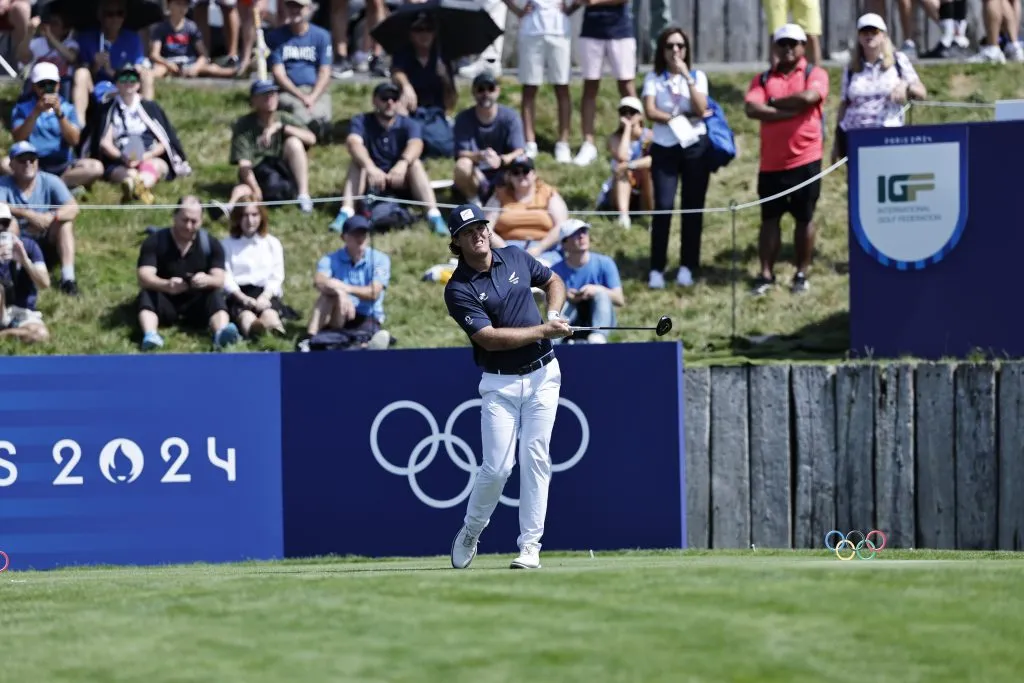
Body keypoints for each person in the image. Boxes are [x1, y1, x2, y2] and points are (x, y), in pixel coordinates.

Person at [443, 202, 572, 571]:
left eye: (481, 227)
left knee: (536, 458)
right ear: (457, 243)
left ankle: (530, 547)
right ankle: (472, 529)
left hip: (544, 375)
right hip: (499, 384)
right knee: (497, 468)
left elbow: (553, 281)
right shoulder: (458, 289)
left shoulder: (515, 256)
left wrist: (554, 314)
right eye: (469, 232)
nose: (478, 234)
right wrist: (544, 331)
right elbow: (490, 339)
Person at [744, 23, 829, 295]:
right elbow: (751, 107)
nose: (789, 48)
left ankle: (801, 272)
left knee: (805, 218)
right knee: (769, 218)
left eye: (794, 43)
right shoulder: (763, 79)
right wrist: (788, 109)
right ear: (775, 47)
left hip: (806, 159)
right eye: (783, 43)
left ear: (804, 46)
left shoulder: (814, 73)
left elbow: (809, 96)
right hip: (771, 163)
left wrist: (773, 103)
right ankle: (766, 274)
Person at [642, 27, 713, 290]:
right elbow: (650, 110)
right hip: (664, 145)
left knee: (692, 206)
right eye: (670, 46)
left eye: (680, 46)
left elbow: (701, 108)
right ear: (662, 50)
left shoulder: (697, 76)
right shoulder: (654, 78)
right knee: (663, 205)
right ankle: (657, 267)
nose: (675, 51)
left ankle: (687, 265)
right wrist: (674, 118)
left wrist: (687, 77)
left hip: (695, 146)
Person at [329, 81, 448, 235]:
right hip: (370, 181)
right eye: (384, 98)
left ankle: (433, 215)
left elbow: (416, 144)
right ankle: (346, 212)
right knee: (356, 163)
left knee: (415, 164)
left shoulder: (409, 123)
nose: (390, 102)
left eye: (394, 98)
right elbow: (353, 143)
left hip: (401, 180)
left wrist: (402, 164)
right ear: (374, 100)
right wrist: (370, 167)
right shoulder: (361, 121)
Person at [135, 196, 241, 351]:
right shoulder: (155, 241)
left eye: (194, 221)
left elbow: (219, 279)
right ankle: (150, 335)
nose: (189, 226)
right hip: (165, 297)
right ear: (174, 216)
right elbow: (144, 276)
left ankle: (220, 333)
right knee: (147, 294)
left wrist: (206, 280)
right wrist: (166, 285)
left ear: (201, 221)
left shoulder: (212, 244)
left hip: (196, 301)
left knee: (215, 295)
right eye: (184, 220)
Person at [81, 64, 192, 206]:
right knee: (126, 173)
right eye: (123, 79)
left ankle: (139, 186)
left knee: (156, 166)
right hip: (120, 158)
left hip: (148, 155)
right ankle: (134, 185)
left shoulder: (150, 107)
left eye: (132, 79)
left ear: (138, 84)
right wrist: (122, 157)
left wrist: (144, 157)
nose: (128, 82)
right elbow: (104, 143)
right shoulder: (107, 109)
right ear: (116, 83)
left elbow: (163, 141)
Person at [832, 13, 926, 163]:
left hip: (887, 136)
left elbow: (921, 92)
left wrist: (905, 85)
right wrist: (836, 143)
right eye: (864, 31)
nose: (869, 35)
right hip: (854, 137)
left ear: (883, 35)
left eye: (874, 31)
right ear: (858, 36)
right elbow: (844, 104)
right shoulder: (851, 68)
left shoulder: (898, 61)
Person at [298, 214, 392, 351]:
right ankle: (309, 339)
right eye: (355, 234)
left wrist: (345, 289)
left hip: (367, 315)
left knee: (359, 338)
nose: (360, 239)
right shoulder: (330, 259)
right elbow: (319, 281)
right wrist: (339, 293)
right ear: (344, 237)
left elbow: (374, 292)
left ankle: (359, 347)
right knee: (326, 296)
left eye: (364, 234)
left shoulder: (380, 259)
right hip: (340, 313)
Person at [6, 61, 105, 191]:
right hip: (30, 163)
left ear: (58, 85)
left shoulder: (68, 109)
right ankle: (52, 187)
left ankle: (54, 185)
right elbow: (18, 138)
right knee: (4, 164)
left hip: (63, 166)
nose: (47, 89)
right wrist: (36, 113)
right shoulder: (22, 108)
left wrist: (60, 115)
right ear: (34, 87)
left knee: (96, 168)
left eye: (51, 84)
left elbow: (74, 140)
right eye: (42, 85)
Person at [0, 142, 80, 296]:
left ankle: (68, 279)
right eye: (22, 160)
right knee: (11, 224)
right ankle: (11, 277)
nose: (28, 163)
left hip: (47, 238)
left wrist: (51, 216)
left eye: (32, 159)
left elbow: (73, 207)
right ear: (12, 164)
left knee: (65, 224)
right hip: (18, 243)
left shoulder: (50, 180)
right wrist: (29, 215)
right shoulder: (3, 184)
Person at [227, 79, 316, 214]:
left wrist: (281, 127)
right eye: (264, 94)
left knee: (294, 143)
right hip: (258, 172)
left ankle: (303, 196)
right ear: (254, 100)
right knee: (243, 189)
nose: (270, 98)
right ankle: (229, 209)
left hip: (282, 168)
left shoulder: (283, 118)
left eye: (273, 93)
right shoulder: (243, 125)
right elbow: (244, 164)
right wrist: (256, 189)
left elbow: (311, 139)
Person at [567, 0, 637, 167]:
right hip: (591, 30)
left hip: (620, 30)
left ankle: (636, 138)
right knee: (590, 87)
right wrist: (569, 9)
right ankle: (588, 143)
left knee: (626, 86)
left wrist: (594, 2)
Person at [505, 0, 574, 163]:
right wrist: (517, 10)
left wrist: (571, 8)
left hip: (559, 31)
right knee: (529, 88)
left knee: (562, 87)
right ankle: (530, 143)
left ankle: (563, 143)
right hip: (531, 31)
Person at [452, 71, 526, 206]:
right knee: (462, 165)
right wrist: (480, 156)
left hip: (504, 172)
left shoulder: (511, 117)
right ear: (474, 92)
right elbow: (460, 152)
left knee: (524, 164)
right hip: (476, 173)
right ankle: (474, 201)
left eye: (490, 89)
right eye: (481, 89)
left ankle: (515, 201)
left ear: (497, 91)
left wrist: (502, 160)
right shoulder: (463, 118)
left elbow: (519, 150)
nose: (485, 93)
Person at [267, 0, 334, 141]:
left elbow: (325, 72)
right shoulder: (276, 37)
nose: (294, 10)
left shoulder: (322, 36)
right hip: (289, 91)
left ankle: (318, 131)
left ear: (309, 9)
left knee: (322, 113)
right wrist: (301, 96)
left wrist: (312, 96)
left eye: (299, 6)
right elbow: (279, 74)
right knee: (299, 110)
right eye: (290, 5)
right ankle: (309, 133)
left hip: (315, 90)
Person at [221, 197, 288, 338]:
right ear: (238, 218)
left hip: (265, 292)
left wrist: (265, 296)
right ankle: (254, 332)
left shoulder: (272, 243)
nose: (250, 220)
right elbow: (226, 276)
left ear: (261, 217)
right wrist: (242, 298)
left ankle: (275, 335)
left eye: (254, 215)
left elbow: (276, 275)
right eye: (245, 215)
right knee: (246, 317)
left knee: (270, 314)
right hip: (239, 294)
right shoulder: (227, 245)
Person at [550, 220, 624, 345]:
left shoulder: (605, 263)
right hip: (571, 319)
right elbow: (546, 302)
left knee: (601, 295)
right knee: (562, 303)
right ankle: (555, 340)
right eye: (575, 234)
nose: (582, 236)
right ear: (564, 244)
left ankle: (598, 337)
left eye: (584, 231)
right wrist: (566, 296)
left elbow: (619, 299)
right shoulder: (555, 271)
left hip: (600, 317)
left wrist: (596, 290)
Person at [597, 95, 653, 229]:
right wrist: (627, 129)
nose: (628, 115)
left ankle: (652, 217)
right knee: (623, 171)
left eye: (632, 112)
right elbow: (622, 157)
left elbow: (653, 160)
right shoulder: (614, 138)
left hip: (643, 189)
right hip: (619, 190)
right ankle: (624, 216)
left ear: (640, 116)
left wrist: (631, 165)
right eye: (623, 112)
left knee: (650, 172)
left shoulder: (650, 136)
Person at [149, 0, 239, 81]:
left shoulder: (191, 27)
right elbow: (154, 54)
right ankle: (143, 78)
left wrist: (196, 67)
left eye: (185, 5)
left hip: (189, 62)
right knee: (159, 70)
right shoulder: (160, 28)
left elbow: (204, 54)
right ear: (169, 5)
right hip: (168, 62)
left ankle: (236, 72)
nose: (181, 8)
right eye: (178, 4)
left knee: (212, 68)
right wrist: (168, 64)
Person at [0, 203, 50, 344]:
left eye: (5, 223)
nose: (2, 229)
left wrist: (25, 261)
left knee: (40, 334)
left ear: (15, 223)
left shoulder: (29, 247)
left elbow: (44, 283)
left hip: (22, 313)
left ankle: (5, 334)